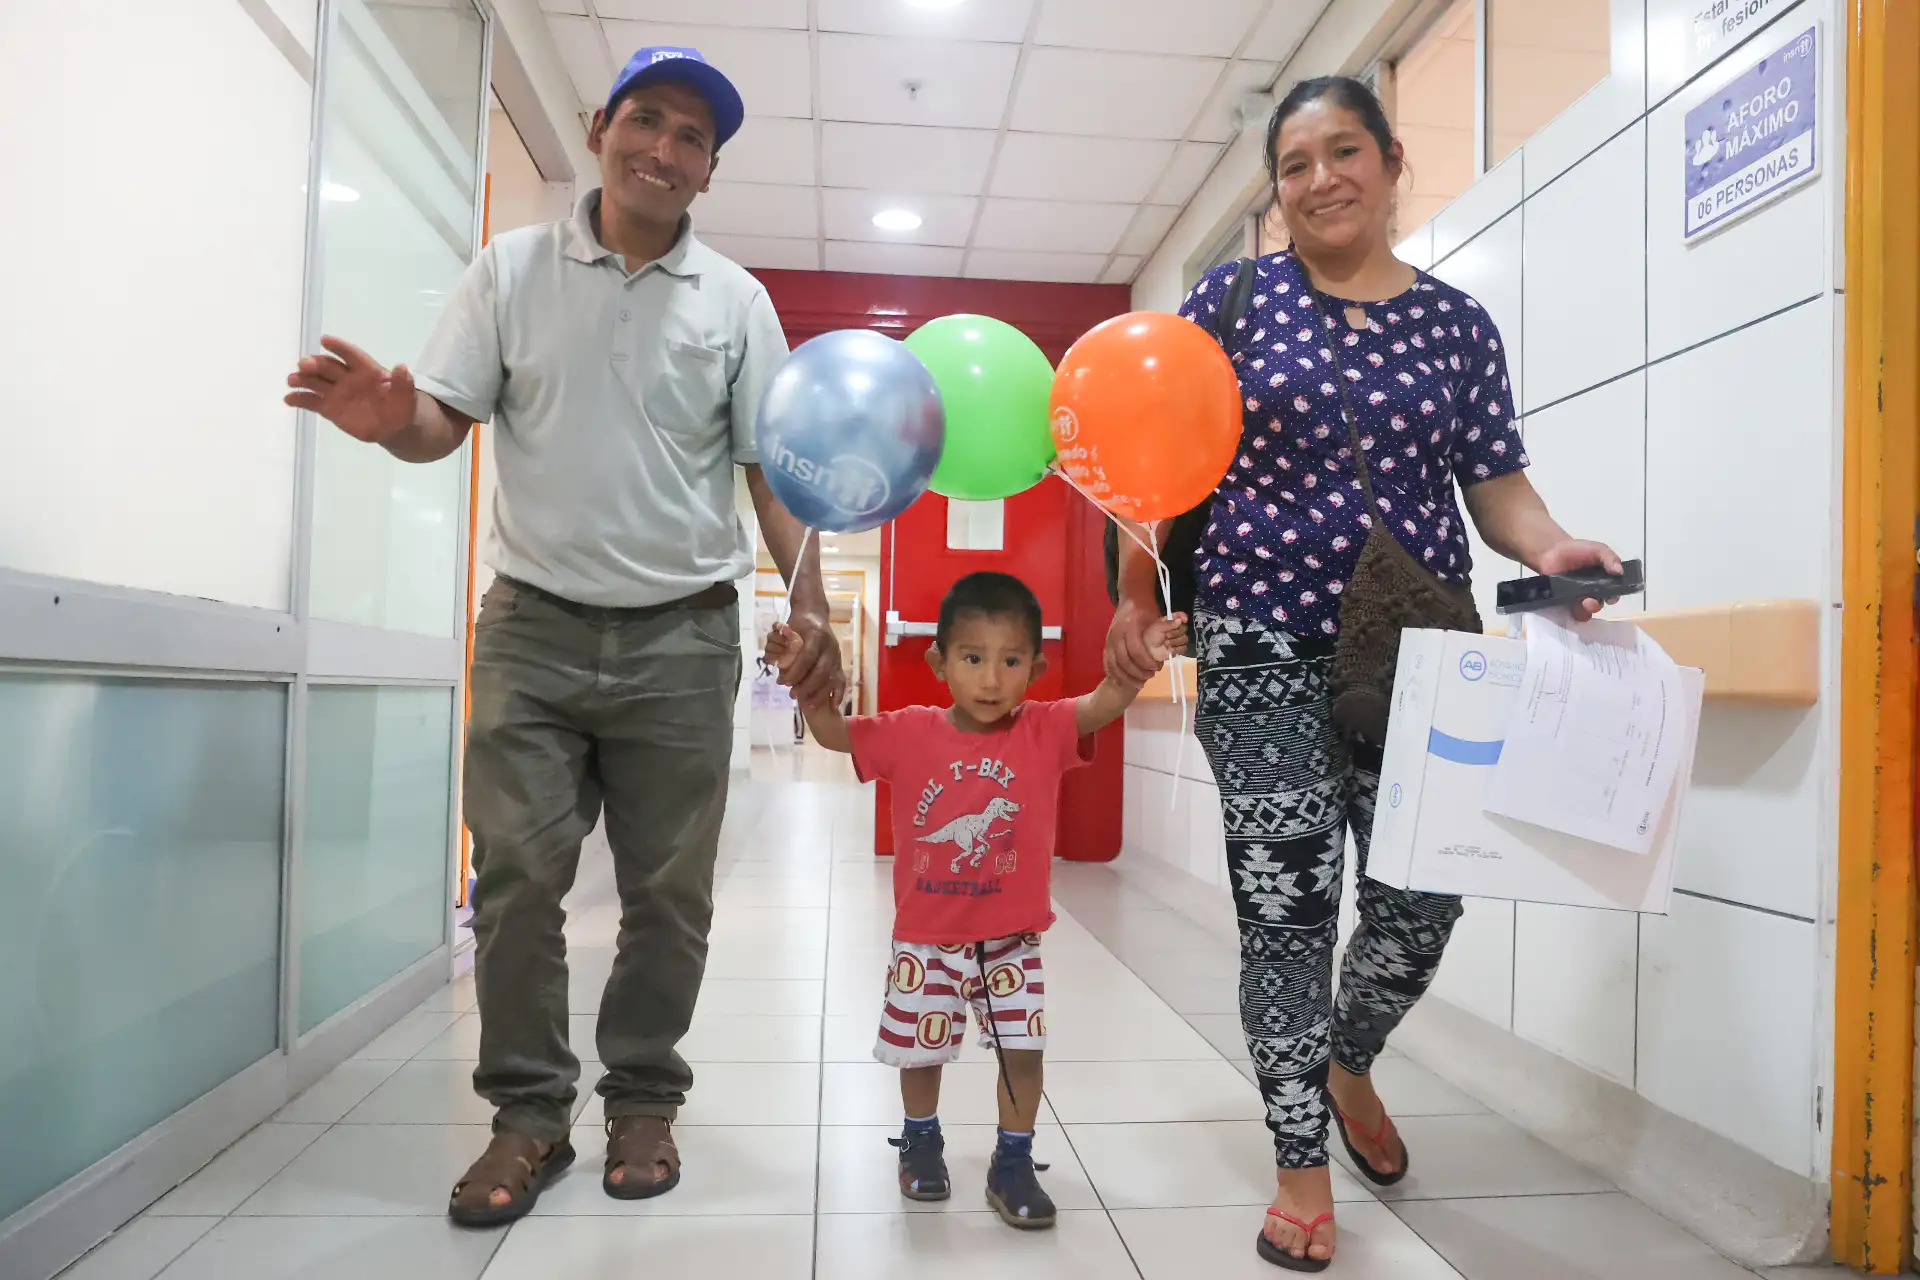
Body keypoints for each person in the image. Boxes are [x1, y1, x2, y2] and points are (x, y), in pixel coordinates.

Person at [284, 46, 845, 1226]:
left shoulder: (737, 301)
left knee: (670, 893)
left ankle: (644, 1093)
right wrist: (396, 420)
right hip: (534, 625)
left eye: (692, 138)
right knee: (519, 880)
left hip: (684, 636)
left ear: (708, 169)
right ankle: (529, 1113)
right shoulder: (512, 269)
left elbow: (767, 463)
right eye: (646, 120)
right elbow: (442, 422)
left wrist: (812, 598)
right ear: (601, 127)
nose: (663, 149)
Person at [1104, 76, 1621, 1271]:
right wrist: (1137, 599)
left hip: (1421, 649)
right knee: (1284, 910)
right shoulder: (1227, 301)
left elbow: (1498, 486)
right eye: (1295, 165)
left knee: (1421, 900)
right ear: (1276, 191)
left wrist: (1553, 549)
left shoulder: (1456, 326)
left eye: (1345, 153)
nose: (1321, 178)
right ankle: (1299, 1159)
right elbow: (1153, 468)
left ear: (1393, 165)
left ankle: (1349, 1060)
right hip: (1257, 640)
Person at [767, 572, 1184, 1230]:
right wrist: (801, 677)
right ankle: (920, 1139)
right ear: (939, 663)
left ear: (1035, 667)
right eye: (972, 658)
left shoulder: (1044, 727)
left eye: (1011, 661)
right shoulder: (908, 730)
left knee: (1024, 1050)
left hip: (1012, 938)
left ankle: (1012, 1160)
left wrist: (1145, 656)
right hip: (927, 939)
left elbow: (1104, 702)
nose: (992, 680)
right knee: (920, 1049)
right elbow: (831, 735)